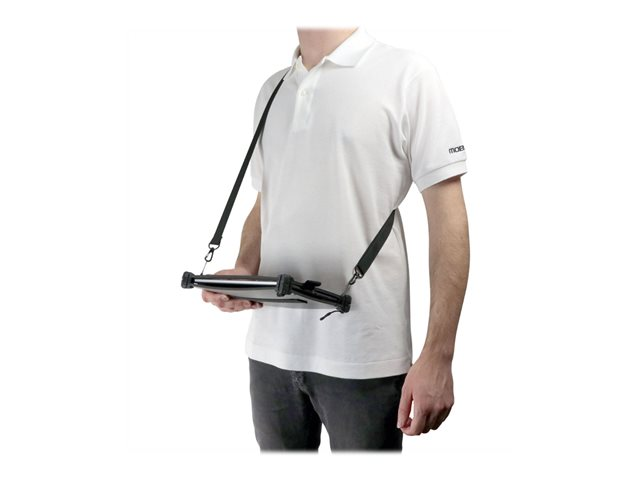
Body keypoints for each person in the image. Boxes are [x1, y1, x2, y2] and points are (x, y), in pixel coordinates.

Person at [202, 26, 470, 452]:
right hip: (269, 351)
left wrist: (439, 354)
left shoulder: (406, 74)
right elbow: (267, 197)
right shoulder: (273, 88)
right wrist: (243, 269)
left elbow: (447, 216)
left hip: (365, 355)